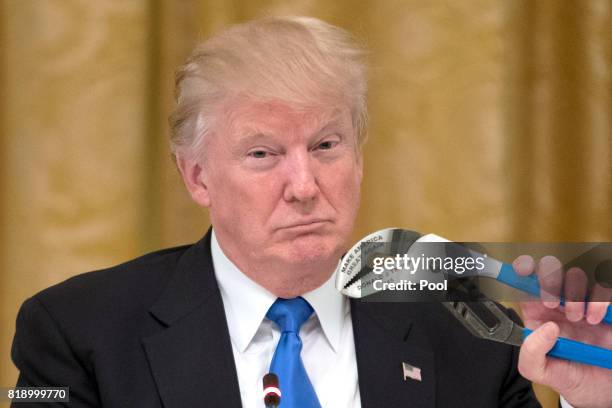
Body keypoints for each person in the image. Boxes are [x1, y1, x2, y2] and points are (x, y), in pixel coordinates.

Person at [10, 16, 610, 408]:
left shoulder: (465, 327)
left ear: (359, 156)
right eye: (263, 153)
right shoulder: (77, 332)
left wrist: (590, 399)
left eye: (326, 146)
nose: (304, 185)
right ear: (197, 176)